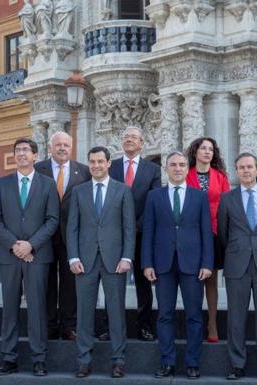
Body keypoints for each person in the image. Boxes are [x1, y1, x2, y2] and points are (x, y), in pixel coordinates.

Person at [0, 138, 59, 377]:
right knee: (9, 308)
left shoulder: (48, 184)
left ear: (35, 156)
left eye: (25, 150)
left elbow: (52, 220)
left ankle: (38, 358)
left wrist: (30, 245)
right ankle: (9, 358)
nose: (21, 154)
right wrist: (15, 245)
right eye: (17, 150)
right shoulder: (2, 183)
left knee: (37, 308)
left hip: (37, 255)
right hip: (9, 256)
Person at [141, 151, 214, 379]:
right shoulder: (154, 196)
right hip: (162, 264)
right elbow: (148, 232)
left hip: (193, 264)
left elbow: (206, 232)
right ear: (166, 168)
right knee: (165, 315)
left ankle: (192, 363)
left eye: (182, 164)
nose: (178, 168)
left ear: (187, 168)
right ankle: (167, 362)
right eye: (173, 164)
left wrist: (207, 263)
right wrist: (147, 263)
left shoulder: (199, 197)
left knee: (194, 315)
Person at [67, 146, 135, 378]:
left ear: (108, 164)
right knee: (84, 312)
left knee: (116, 311)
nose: (96, 165)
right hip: (84, 261)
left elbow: (128, 227)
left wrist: (127, 257)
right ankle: (84, 360)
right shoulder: (79, 191)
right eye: (92, 161)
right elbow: (72, 227)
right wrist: (73, 256)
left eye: (100, 161)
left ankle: (118, 360)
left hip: (115, 260)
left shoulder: (122, 191)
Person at [217, 152, 257, 381]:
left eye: (249, 167)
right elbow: (223, 234)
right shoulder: (227, 199)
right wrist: (239, 249)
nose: (246, 171)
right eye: (241, 167)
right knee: (236, 318)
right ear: (237, 171)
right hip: (237, 264)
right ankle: (237, 365)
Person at [34, 131, 90, 341]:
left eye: (66, 145)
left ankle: (69, 325)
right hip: (44, 236)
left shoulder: (83, 171)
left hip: (72, 236)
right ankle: (48, 324)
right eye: (58, 144)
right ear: (50, 147)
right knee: (46, 281)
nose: (62, 148)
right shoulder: (38, 170)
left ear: (71, 147)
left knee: (70, 282)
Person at [107, 126, 160, 342]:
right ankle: (110, 326)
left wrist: (135, 226)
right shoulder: (112, 167)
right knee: (112, 283)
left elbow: (154, 200)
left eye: (133, 137)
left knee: (143, 283)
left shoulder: (152, 169)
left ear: (142, 143)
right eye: (125, 136)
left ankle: (144, 325)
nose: (129, 140)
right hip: (114, 235)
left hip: (141, 234)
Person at [185, 136, 230, 343]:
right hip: (191, 234)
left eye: (210, 149)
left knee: (211, 280)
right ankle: (195, 322)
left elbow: (227, 204)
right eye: (203, 148)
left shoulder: (220, 176)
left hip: (213, 232)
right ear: (195, 152)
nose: (207, 152)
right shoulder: (186, 175)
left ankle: (212, 323)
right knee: (194, 280)